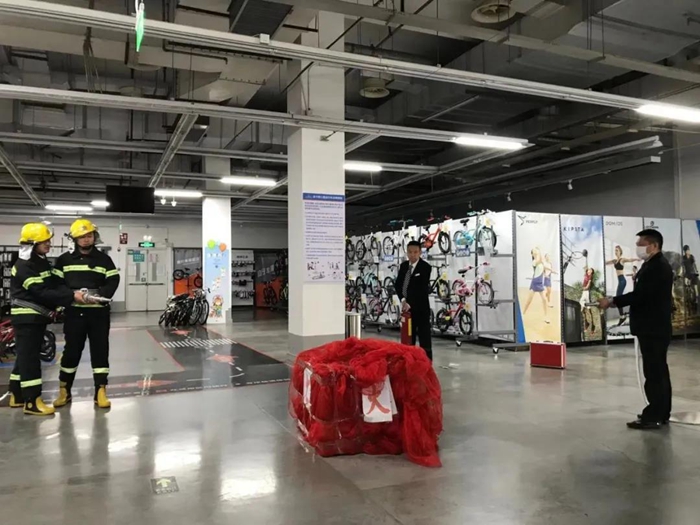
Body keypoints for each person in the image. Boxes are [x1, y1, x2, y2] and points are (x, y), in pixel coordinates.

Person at [8, 223, 89, 416]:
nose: (48, 244)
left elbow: (52, 284)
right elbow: (41, 291)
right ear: (32, 243)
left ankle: (17, 395)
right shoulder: (24, 266)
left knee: (25, 356)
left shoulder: (40, 262)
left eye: (48, 240)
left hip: (35, 319)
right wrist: (71, 297)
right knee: (30, 360)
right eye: (44, 241)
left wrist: (70, 292)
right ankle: (32, 402)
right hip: (26, 319)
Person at [599, 229, 673, 430]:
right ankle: (660, 411)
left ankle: (655, 415)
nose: (638, 247)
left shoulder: (658, 267)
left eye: (641, 244)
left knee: (655, 372)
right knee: (657, 371)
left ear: (654, 245)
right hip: (651, 326)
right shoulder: (650, 265)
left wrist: (612, 301)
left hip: (654, 327)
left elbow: (641, 295)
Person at [53, 219, 120, 409]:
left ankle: (100, 391)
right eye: (81, 236)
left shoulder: (104, 260)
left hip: (98, 315)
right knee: (71, 352)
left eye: (89, 235)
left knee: (100, 351)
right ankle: (64, 390)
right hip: (74, 313)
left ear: (94, 237)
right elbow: (56, 284)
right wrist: (71, 296)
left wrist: (100, 295)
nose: (85, 239)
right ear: (74, 239)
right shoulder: (64, 260)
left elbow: (113, 279)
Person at [395, 241, 432, 361]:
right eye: (410, 252)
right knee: (408, 340)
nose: (412, 255)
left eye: (415, 252)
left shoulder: (425, 267)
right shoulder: (404, 266)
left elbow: (421, 289)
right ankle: (409, 362)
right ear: (407, 252)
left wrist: (410, 303)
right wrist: (403, 300)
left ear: (420, 252)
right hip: (407, 311)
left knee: (424, 340)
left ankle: (426, 364)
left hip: (421, 309)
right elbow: (398, 285)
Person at [605, 246, 639, 326]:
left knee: (618, 299)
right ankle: (623, 315)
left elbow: (630, 260)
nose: (615, 252)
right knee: (618, 299)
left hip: (622, 281)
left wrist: (637, 259)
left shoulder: (622, 260)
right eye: (615, 250)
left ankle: (622, 316)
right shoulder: (614, 261)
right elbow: (606, 262)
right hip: (620, 281)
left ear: (620, 251)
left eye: (617, 250)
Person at [522, 247, 550, 324]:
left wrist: (550, 271)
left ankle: (546, 316)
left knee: (544, 300)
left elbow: (543, 268)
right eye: (534, 252)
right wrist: (538, 251)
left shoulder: (540, 262)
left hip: (540, 283)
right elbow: (539, 260)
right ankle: (523, 314)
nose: (536, 253)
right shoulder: (534, 262)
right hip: (535, 282)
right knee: (529, 300)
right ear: (533, 254)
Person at [682, 245, 699, 313]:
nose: (687, 251)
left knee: (695, 289)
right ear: (684, 251)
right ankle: (687, 301)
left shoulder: (692, 257)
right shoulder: (683, 258)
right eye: (686, 250)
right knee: (686, 288)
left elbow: (694, 265)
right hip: (687, 275)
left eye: (688, 250)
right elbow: (682, 267)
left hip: (693, 274)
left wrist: (696, 271)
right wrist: (681, 274)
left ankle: (696, 302)